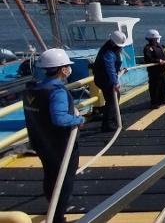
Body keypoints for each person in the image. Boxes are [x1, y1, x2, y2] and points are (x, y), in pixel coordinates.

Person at [23, 48, 84, 223]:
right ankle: (58, 217)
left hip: (40, 141)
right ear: (62, 69)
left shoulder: (32, 89)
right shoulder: (57, 91)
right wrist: (78, 120)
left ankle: (52, 206)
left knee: (50, 176)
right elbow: (59, 118)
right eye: (66, 66)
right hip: (60, 144)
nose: (68, 69)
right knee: (64, 180)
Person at [93, 30, 127, 132]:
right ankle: (107, 124)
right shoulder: (108, 53)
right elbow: (110, 69)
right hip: (105, 79)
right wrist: (115, 83)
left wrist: (119, 70)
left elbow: (113, 67)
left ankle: (113, 120)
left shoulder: (110, 49)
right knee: (112, 100)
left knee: (114, 98)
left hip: (105, 78)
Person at [143, 29, 165, 109]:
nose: (156, 40)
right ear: (151, 39)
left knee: (162, 85)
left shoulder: (159, 45)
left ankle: (163, 99)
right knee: (155, 87)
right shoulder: (147, 48)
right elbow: (148, 59)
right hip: (154, 71)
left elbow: (164, 54)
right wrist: (158, 61)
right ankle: (154, 103)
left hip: (162, 70)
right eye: (155, 38)